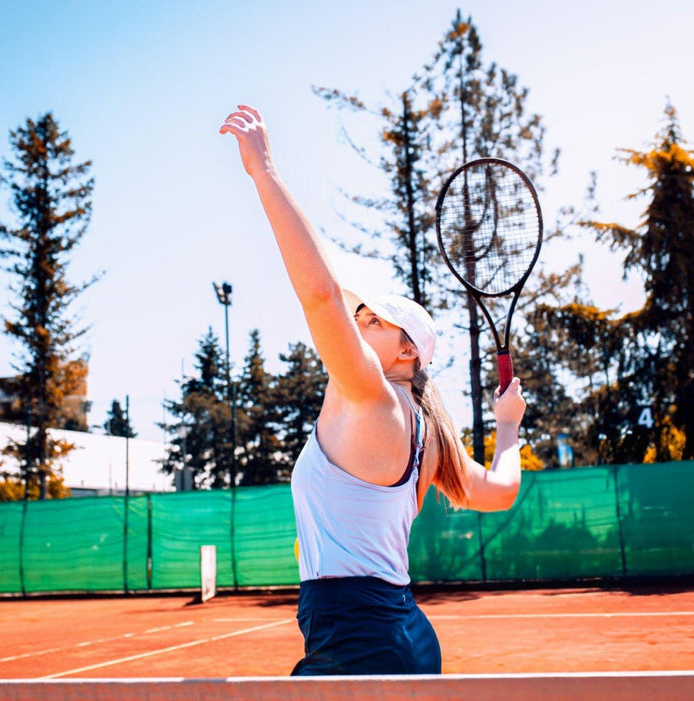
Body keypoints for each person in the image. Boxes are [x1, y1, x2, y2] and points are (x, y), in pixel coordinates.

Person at [220, 104, 526, 676]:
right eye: (361, 316)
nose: (358, 323)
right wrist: (507, 425)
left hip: (357, 641)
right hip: (399, 635)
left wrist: (264, 170)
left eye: (374, 321)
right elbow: (500, 490)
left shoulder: (371, 395)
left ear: (407, 351)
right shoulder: (430, 431)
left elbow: (321, 295)